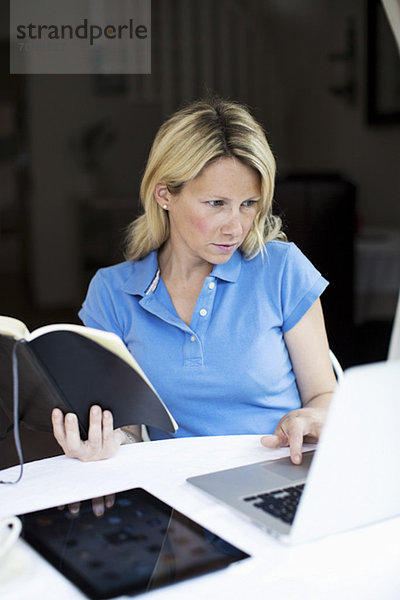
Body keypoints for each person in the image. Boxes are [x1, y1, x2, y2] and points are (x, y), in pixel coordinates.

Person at [51, 97, 337, 465]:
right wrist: (107, 440)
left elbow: (324, 396)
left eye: (248, 204)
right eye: (216, 203)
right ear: (164, 194)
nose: (235, 226)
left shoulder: (282, 270)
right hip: (171, 493)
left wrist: (313, 416)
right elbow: (128, 429)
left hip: (276, 474)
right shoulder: (112, 294)